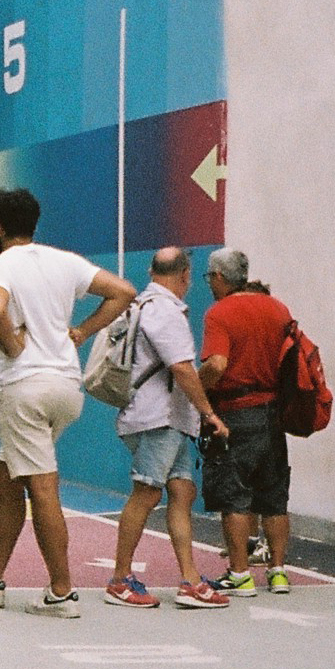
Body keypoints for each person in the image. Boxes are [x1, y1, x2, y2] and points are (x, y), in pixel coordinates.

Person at [0, 188, 135, 617]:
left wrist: (13, 346)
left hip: (26, 389)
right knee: (7, 474)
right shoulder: (65, 261)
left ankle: (62, 591)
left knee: (41, 487)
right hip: (66, 388)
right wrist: (81, 332)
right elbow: (123, 291)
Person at [106, 247, 233, 609]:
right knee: (146, 492)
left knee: (181, 492)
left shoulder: (144, 305)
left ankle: (190, 579)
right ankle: (119, 579)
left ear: (151, 270)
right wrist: (208, 413)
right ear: (185, 275)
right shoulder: (165, 311)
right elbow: (181, 367)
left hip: (164, 418)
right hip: (158, 418)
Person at [196, 248, 293, 594]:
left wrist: (195, 385)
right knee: (274, 497)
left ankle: (240, 574)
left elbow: (217, 364)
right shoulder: (277, 308)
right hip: (273, 412)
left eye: (210, 278)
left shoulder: (220, 313)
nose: (209, 285)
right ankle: (278, 572)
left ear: (220, 278)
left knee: (234, 497)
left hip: (236, 412)